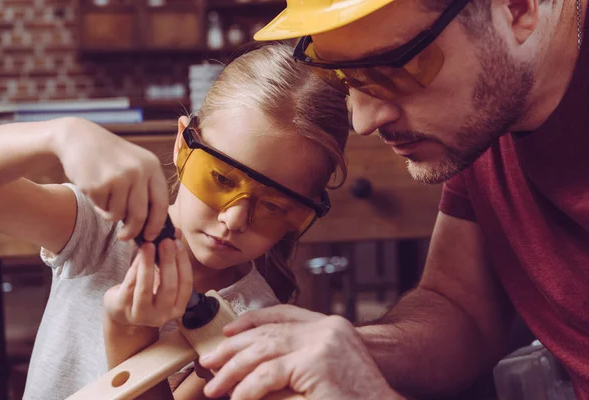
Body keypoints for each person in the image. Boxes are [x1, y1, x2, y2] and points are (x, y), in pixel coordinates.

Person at [195, 0, 589, 399]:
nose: (363, 122)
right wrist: (340, 351)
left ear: (518, 9)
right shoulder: (482, 119)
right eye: (343, 78)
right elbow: (461, 310)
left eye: (390, 71)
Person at [0, 44, 350, 399]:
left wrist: (132, 337)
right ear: (182, 144)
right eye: (222, 179)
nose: (234, 219)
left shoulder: (258, 321)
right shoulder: (99, 228)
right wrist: (62, 135)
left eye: (276, 206)